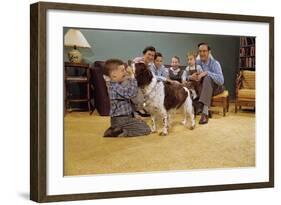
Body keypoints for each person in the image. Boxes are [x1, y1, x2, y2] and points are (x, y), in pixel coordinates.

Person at [103, 59, 151, 137]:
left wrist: (134, 115)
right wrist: (132, 76)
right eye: (122, 70)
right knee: (146, 130)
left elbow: (127, 102)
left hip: (124, 118)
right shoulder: (114, 86)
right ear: (114, 75)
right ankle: (121, 132)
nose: (125, 72)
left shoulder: (117, 85)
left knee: (142, 123)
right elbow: (131, 94)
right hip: (121, 119)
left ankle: (117, 129)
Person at [196, 42, 225, 124]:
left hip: (217, 87)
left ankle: (204, 113)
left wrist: (207, 73)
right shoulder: (197, 63)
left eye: (204, 51)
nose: (202, 53)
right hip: (204, 88)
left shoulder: (215, 63)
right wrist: (193, 76)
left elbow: (221, 81)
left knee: (207, 78)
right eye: (200, 51)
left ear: (209, 52)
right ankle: (204, 108)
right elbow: (189, 75)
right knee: (200, 82)